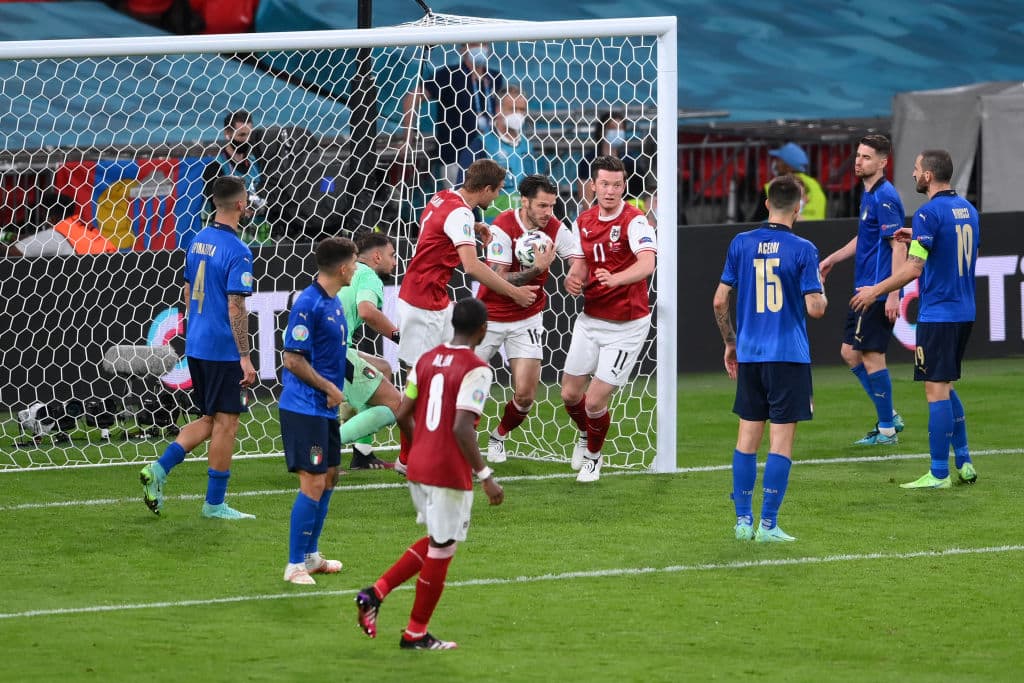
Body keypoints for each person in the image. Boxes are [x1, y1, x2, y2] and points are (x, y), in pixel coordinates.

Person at [354, 298, 503, 650]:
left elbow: (402, 412)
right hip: (447, 468)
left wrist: (420, 443)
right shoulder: (477, 368)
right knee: (444, 547)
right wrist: (486, 475)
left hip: (418, 464)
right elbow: (462, 427)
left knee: (439, 538)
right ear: (482, 330)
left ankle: (375, 594)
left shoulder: (426, 359)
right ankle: (415, 633)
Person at [851, 149, 978, 489]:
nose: (912, 174)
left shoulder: (928, 213)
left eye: (917, 169)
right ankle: (964, 461)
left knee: (935, 391)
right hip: (965, 310)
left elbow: (912, 268)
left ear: (928, 176)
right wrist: (915, 233)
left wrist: (875, 290)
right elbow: (947, 246)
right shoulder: (967, 210)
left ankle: (938, 473)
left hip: (939, 312)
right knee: (945, 384)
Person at [713, 174, 828, 542]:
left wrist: (730, 342)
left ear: (766, 203)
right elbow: (815, 309)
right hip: (788, 357)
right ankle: (768, 525)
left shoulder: (740, 243)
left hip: (750, 354)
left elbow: (719, 300)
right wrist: (820, 289)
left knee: (747, 435)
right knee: (781, 440)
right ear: (799, 206)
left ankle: (742, 521)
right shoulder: (803, 249)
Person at [139, 176, 257, 519]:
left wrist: (198, 326)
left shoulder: (197, 240)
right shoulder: (239, 251)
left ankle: (158, 471)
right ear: (239, 205)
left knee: (210, 418)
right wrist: (245, 357)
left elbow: (189, 290)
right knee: (228, 423)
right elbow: (236, 307)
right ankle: (215, 504)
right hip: (222, 348)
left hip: (198, 342)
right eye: (246, 200)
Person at [476, 175, 586, 463]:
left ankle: (498, 436)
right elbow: (496, 276)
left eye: (551, 205)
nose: (547, 212)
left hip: (527, 318)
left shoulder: (555, 227)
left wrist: (574, 275)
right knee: (468, 384)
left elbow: (577, 259)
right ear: (524, 201)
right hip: (489, 318)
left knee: (525, 395)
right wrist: (534, 270)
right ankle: (460, 450)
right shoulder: (502, 226)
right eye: (542, 205)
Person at [561, 155, 657, 483]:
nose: (611, 190)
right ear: (594, 186)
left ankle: (594, 457)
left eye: (617, 184)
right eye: (605, 184)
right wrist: (573, 279)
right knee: (570, 395)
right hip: (590, 319)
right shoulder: (583, 220)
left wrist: (617, 279)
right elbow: (580, 265)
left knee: (595, 399)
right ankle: (587, 434)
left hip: (626, 325)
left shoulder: (635, 220)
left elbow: (647, 264)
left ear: (624, 186)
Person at [396, 158, 538, 368]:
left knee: (453, 366)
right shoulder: (460, 214)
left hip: (433, 297)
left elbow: (441, 224)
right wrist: (514, 293)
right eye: (498, 190)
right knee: (417, 379)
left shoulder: (443, 196)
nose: (498, 195)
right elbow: (472, 266)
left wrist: (474, 225)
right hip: (422, 303)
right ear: (487, 189)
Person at [278, 236, 358, 584]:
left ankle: (311, 556)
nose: (356, 268)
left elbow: (333, 355)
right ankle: (294, 564)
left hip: (324, 409)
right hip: (305, 409)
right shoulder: (308, 304)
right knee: (312, 482)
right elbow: (292, 359)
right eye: (355, 263)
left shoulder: (336, 302)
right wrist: (327, 388)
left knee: (330, 477)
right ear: (342, 268)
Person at [819, 134, 907, 444]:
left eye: (866, 157)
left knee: (870, 356)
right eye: (858, 155)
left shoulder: (885, 197)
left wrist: (893, 294)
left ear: (883, 162)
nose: (858, 161)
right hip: (865, 289)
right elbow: (865, 239)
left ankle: (887, 429)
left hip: (878, 291)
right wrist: (833, 258)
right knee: (849, 353)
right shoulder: (869, 194)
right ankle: (890, 416)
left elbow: (899, 245)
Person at [336, 230, 404, 470]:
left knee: (383, 368)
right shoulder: (367, 275)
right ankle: (327, 445)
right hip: (333, 350)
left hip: (316, 346)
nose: (395, 261)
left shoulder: (344, 270)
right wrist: (399, 337)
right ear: (376, 257)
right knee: (398, 404)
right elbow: (367, 311)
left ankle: (362, 454)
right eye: (392, 255)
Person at [403, 43, 504, 188]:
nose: (481, 48)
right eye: (475, 44)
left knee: (490, 207)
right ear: (463, 49)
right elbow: (411, 98)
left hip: (490, 156)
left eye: (484, 44)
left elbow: (501, 110)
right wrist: (408, 137)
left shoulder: (494, 77)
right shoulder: (448, 75)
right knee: (460, 205)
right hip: (455, 157)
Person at [458, 86, 540, 221]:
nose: (518, 115)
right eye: (512, 109)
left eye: (522, 110)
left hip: (521, 226)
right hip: (491, 227)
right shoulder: (481, 145)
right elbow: (463, 190)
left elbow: (534, 187)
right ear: (498, 110)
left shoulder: (527, 146)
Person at [202, 109, 268, 243]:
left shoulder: (256, 163)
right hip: (228, 241)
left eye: (249, 135)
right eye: (241, 135)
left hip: (261, 241)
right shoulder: (215, 168)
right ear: (227, 134)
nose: (246, 140)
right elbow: (217, 207)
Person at [576, 110, 656, 220]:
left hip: (626, 218)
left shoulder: (629, 160)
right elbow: (586, 199)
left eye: (621, 128)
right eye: (613, 128)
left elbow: (643, 192)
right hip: (599, 217)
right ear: (601, 131)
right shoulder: (589, 161)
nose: (618, 132)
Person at [751, 142, 827, 221]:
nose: (776, 164)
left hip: (785, 231)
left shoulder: (773, 185)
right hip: (817, 230)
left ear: (787, 165)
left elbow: (756, 222)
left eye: (779, 160)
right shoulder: (815, 184)